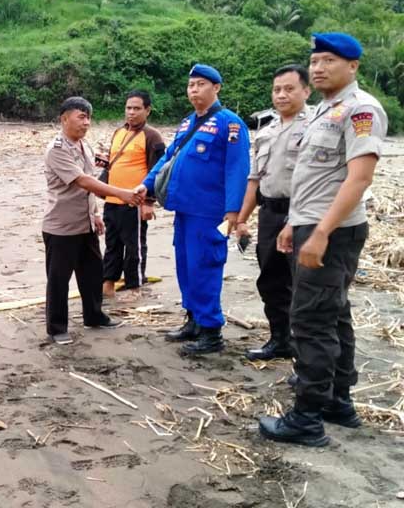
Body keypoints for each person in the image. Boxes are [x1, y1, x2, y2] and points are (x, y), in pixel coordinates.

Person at [259, 33, 388, 447]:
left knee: (311, 321)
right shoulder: (321, 112)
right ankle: (337, 401)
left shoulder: (360, 110)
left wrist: (319, 233)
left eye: (329, 60)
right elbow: (310, 178)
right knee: (334, 314)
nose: (318, 68)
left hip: (331, 230)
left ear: (353, 66)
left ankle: (307, 417)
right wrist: (292, 225)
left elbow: (359, 179)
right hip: (309, 224)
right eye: (314, 61)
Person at [137, 65, 250, 355]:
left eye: (200, 84)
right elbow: (167, 159)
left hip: (210, 213)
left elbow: (237, 170)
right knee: (186, 266)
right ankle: (193, 321)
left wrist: (233, 211)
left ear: (217, 88)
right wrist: (146, 186)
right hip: (185, 210)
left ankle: (211, 333)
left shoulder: (231, 124)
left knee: (206, 268)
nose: (194, 90)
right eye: (190, 85)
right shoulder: (188, 123)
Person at [43, 96, 139, 345]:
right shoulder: (57, 149)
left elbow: (87, 185)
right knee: (59, 279)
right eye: (80, 117)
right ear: (64, 119)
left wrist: (95, 214)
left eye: (88, 117)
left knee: (92, 273)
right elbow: (83, 181)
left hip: (85, 223)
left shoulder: (84, 146)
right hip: (62, 226)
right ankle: (56, 328)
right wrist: (120, 193)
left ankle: (94, 316)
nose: (86, 122)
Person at [236, 65, 311, 361]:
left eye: (289, 89)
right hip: (270, 213)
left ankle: (305, 354)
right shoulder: (266, 131)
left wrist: (295, 221)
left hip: (302, 214)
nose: (281, 95)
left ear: (306, 91)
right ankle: (280, 339)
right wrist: (242, 219)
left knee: (303, 284)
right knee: (270, 280)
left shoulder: (316, 126)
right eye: (277, 89)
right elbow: (255, 180)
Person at [98, 91, 166, 297]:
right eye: (128, 108)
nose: (131, 112)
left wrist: (148, 203)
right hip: (112, 199)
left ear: (147, 110)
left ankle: (134, 286)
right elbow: (113, 164)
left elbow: (158, 169)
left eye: (137, 108)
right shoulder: (118, 132)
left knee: (134, 246)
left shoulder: (152, 136)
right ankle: (108, 282)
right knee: (112, 245)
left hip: (134, 201)